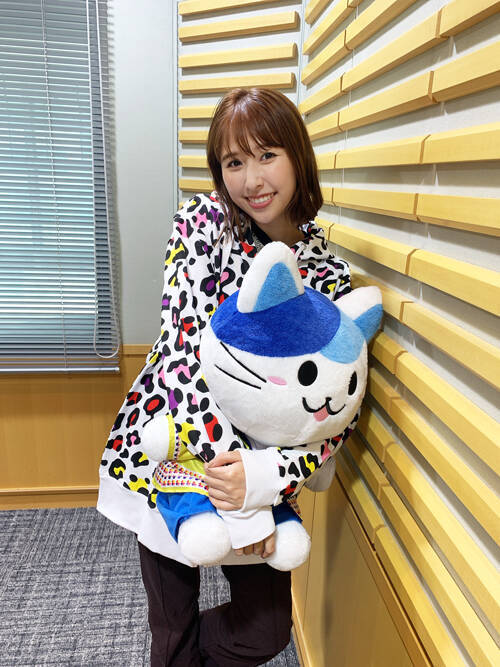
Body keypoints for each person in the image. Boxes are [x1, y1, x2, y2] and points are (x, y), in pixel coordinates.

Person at [97, 87, 355, 666]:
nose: (251, 179)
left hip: (260, 475)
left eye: (267, 155)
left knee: (265, 632)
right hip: (174, 448)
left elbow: (335, 408)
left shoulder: (327, 276)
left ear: (297, 156)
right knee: (173, 634)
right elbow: (183, 351)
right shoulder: (202, 224)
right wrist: (239, 499)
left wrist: (263, 483)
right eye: (234, 162)